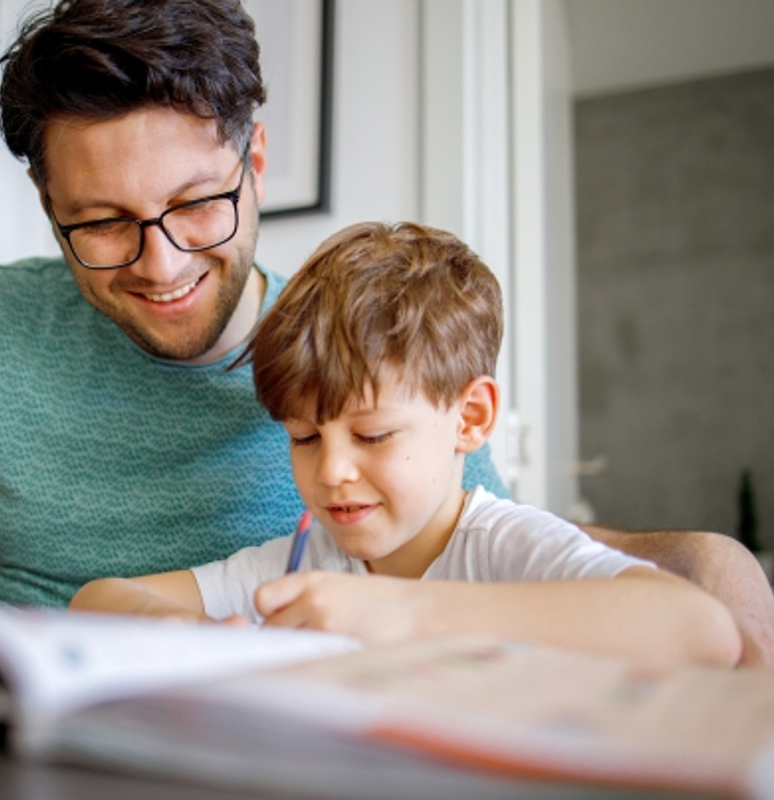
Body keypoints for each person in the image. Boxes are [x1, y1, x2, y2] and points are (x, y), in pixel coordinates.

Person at [0, 0, 770, 664]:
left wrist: (698, 560)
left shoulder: (359, 349)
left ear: (255, 168)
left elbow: (479, 553)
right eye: (103, 224)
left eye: (196, 204)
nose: (159, 263)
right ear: (49, 208)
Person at [70, 222, 741, 668]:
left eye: (373, 435)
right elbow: (97, 599)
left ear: (470, 418)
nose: (331, 471)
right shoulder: (305, 563)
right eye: (304, 438)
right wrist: (185, 633)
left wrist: (403, 611)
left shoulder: (504, 545)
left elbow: (700, 630)